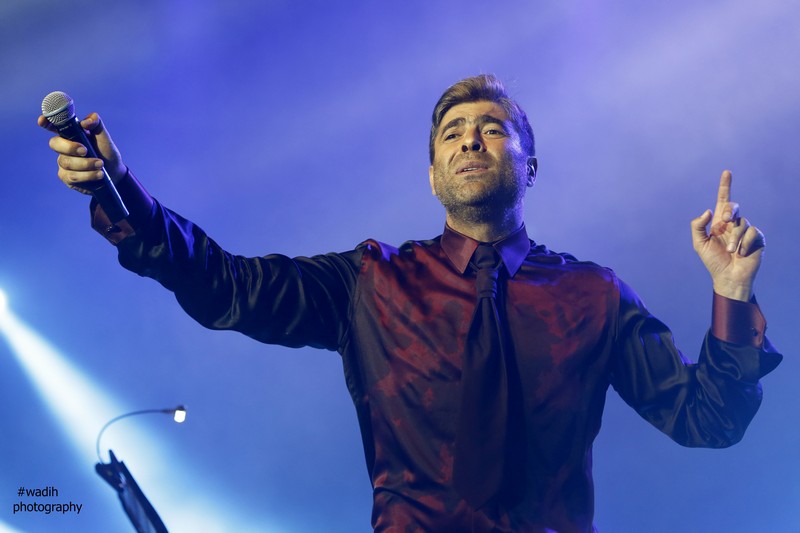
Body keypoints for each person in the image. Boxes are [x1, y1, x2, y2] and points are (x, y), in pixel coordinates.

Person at [39, 75, 781, 532]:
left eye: (493, 128)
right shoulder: (372, 281)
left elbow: (707, 419)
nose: (471, 141)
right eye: (452, 134)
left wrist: (731, 291)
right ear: (433, 175)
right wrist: (121, 190)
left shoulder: (593, 294)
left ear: (530, 165)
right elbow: (224, 285)